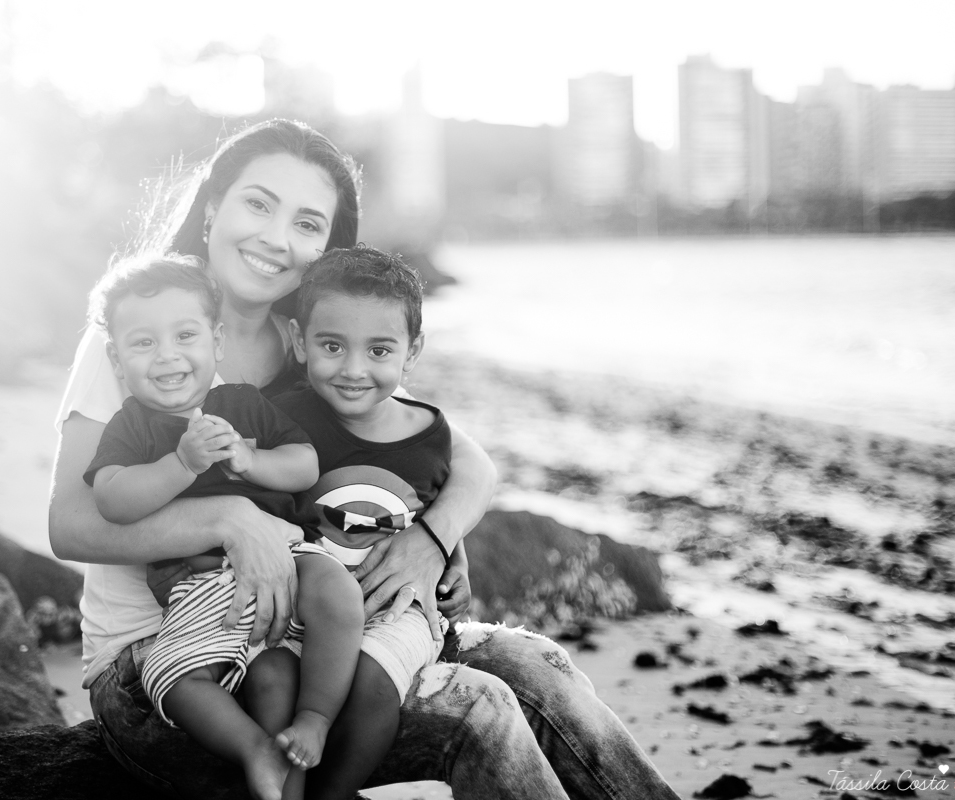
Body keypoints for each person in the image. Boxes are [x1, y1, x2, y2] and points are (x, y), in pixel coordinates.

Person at [49, 118, 682, 799]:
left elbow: (469, 464)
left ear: (326, 245)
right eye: (258, 204)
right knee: (480, 711)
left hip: (309, 630)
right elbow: (71, 526)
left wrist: (430, 539)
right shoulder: (145, 334)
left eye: (307, 222)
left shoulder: (318, 342)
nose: (275, 238)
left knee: (537, 665)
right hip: (169, 663)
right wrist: (230, 518)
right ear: (212, 208)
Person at [82, 254, 363, 800]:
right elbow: (112, 500)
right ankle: (256, 749)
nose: (167, 356)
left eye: (184, 335)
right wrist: (180, 465)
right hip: (194, 590)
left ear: (215, 342)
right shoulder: (132, 426)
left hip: (285, 563)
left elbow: (305, 464)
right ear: (117, 360)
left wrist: (249, 461)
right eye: (143, 344)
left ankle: (315, 720)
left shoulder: (241, 403)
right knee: (175, 677)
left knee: (335, 593)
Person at [251, 246, 454, 799]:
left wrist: (452, 554)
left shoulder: (431, 434)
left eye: (380, 349)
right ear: (299, 341)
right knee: (271, 678)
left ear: (412, 352)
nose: (353, 369)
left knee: (371, 680)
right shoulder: (284, 420)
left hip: (394, 612)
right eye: (332, 346)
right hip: (307, 608)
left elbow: (434, 510)